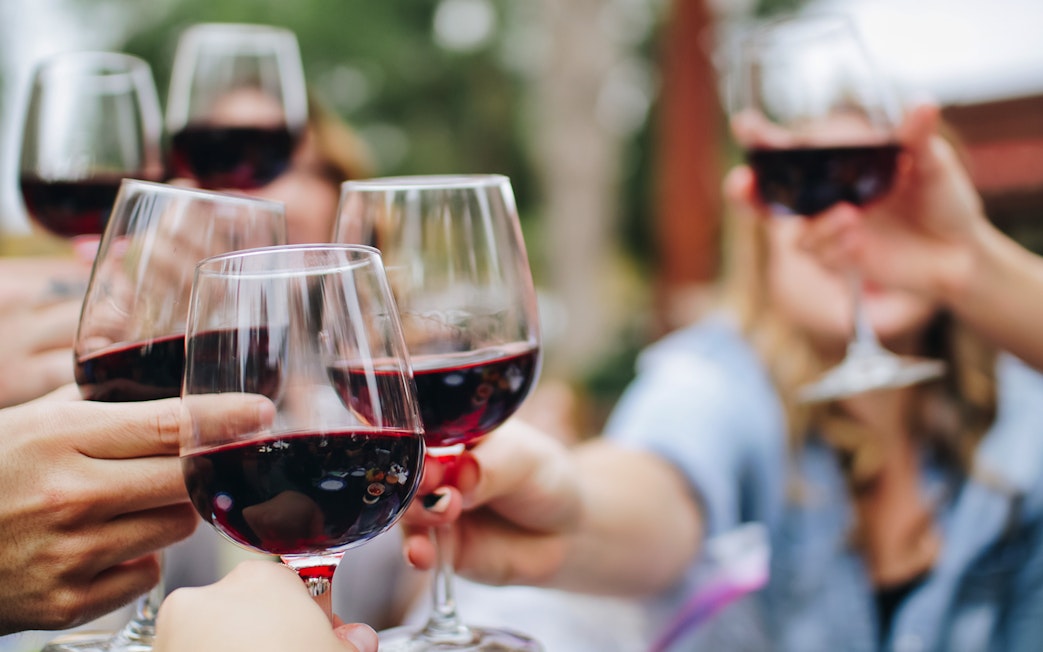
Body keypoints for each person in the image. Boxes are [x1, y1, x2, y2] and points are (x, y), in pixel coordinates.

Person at [398, 102, 1043, 651]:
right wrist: (573, 506)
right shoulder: (716, 378)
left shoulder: (1023, 406)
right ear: (761, 247)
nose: (851, 224)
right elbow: (660, 484)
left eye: (877, 192)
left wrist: (965, 265)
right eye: (813, 201)